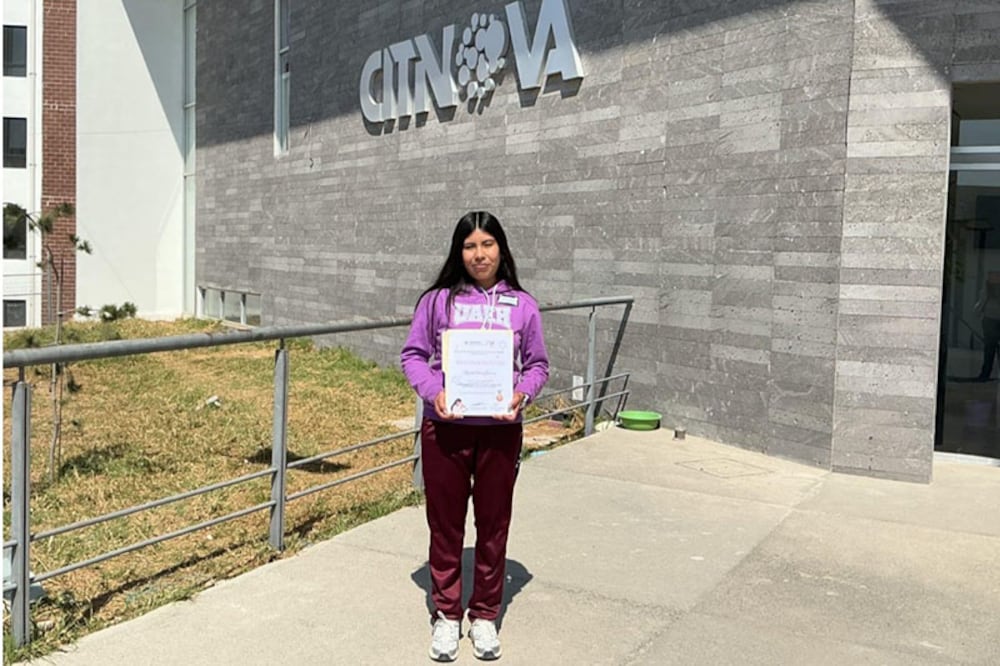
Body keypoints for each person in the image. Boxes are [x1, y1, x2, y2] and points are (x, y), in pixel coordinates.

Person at [401, 211, 549, 662]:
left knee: (493, 525)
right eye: (469, 246)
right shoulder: (437, 302)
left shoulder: (523, 305)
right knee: (445, 527)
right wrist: (433, 391)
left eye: (487, 244)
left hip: (500, 432)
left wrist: (523, 394)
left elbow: (538, 365)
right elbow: (412, 356)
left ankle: (484, 614)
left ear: (501, 249)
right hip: (445, 430)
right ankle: (447, 615)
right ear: (458, 252)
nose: (479, 254)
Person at [974, 273, 1000, 381]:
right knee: (991, 348)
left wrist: (977, 311)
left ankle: (985, 374)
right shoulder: (987, 290)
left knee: (989, 349)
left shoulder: (988, 290)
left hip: (990, 320)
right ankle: (986, 374)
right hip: (990, 320)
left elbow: (981, 303)